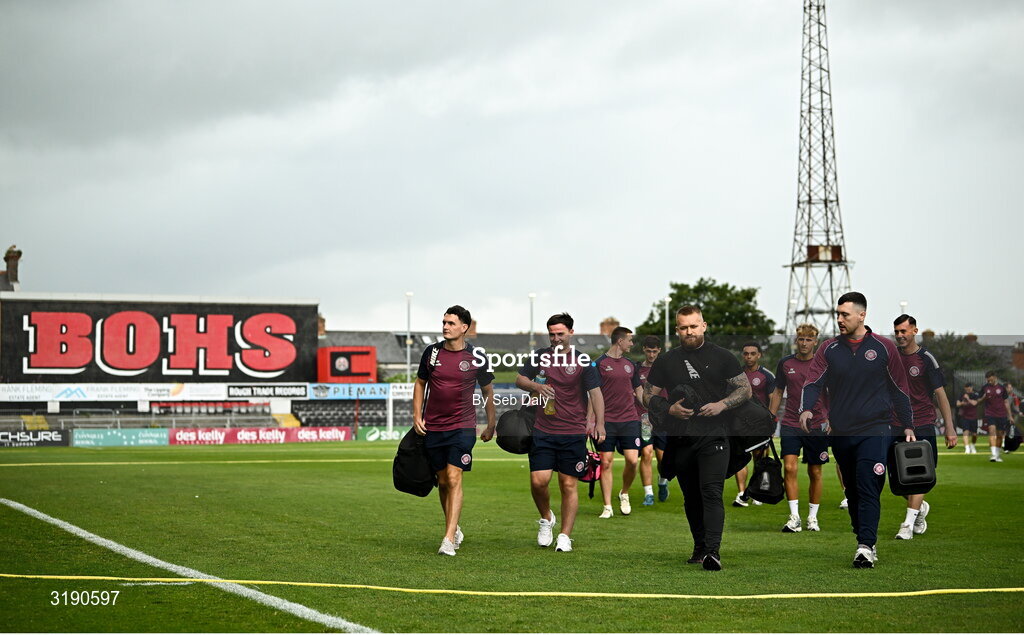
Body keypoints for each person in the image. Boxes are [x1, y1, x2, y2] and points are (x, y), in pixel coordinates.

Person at [800, 292, 913, 568]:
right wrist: (806, 408)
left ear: (862, 315)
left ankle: (866, 545)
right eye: (837, 314)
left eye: (845, 315)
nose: (839, 319)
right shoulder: (828, 349)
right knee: (852, 491)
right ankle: (861, 537)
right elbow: (813, 382)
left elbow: (900, 390)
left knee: (867, 485)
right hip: (840, 432)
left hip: (876, 428)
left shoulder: (884, 348)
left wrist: (908, 424)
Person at [643, 305, 752, 571]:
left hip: (715, 435)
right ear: (677, 329)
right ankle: (699, 547)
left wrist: (722, 405)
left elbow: (744, 388)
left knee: (711, 492)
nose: (689, 331)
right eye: (683, 327)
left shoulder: (722, 356)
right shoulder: (666, 361)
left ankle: (713, 552)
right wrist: (668, 409)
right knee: (691, 496)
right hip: (681, 439)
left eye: (693, 326)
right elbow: (646, 395)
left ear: (704, 325)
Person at [516, 313, 605, 552]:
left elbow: (595, 394)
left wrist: (599, 424)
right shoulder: (539, 357)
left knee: (568, 485)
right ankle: (547, 518)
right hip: (542, 430)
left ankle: (565, 535)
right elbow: (519, 379)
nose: (555, 338)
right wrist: (537, 386)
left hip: (572, 431)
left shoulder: (583, 361)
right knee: (538, 481)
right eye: (552, 334)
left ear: (571, 333)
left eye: (560, 334)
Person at [412, 305, 497, 556]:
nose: (445, 327)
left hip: (462, 426)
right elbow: (420, 383)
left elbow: (487, 391)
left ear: (464, 328)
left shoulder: (477, 357)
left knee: (453, 476)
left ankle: (448, 539)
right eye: (444, 322)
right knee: (442, 481)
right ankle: (454, 527)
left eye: (451, 323)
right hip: (433, 426)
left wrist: (491, 424)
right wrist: (417, 414)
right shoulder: (432, 352)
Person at [891, 314, 957, 540]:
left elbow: (941, 395)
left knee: (918, 475)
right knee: (898, 479)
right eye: (897, 331)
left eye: (904, 331)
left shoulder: (926, 359)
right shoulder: (890, 357)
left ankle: (907, 525)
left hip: (923, 423)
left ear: (914, 331)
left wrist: (949, 427)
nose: (900, 335)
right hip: (895, 425)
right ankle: (920, 508)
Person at [768, 324, 830, 533]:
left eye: (808, 340)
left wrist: (831, 418)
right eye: (801, 339)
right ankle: (794, 517)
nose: (804, 343)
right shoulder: (785, 363)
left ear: (815, 342)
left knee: (815, 471)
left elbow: (832, 393)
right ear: (796, 340)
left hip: (816, 424)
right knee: (790, 467)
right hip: (790, 423)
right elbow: (778, 391)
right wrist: (771, 417)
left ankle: (812, 518)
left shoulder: (823, 365)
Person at [595, 327, 644, 517]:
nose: (632, 343)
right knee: (605, 463)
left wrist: (653, 407)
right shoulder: (598, 364)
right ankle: (607, 506)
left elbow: (639, 391)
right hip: (607, 421)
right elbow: (593, 394)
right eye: (630, 340)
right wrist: (592, 421)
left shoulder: (631, 365)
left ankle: (624, 493)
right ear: (620, 341)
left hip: (630, 420)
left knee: (632, 461)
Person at [731, 342, 775, 508]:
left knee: (760, 459)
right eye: (746, 353)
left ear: (759, 355)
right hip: (740, 424)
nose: (749, 356)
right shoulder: (736, 375)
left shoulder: (767, 376)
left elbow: (773, 399)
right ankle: (742, 493)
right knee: (739, 458)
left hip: (760, 425)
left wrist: (770, 422)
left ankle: (758, 493)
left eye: (752, 353)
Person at [637, 335, 671, 503]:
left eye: (654, 351)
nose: (651, 355)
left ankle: (663, 482)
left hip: (663, 418)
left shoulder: (666, 369)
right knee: (646, 453)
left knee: (663, 456)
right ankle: (648, 493)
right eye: (649, 351)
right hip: (644, 419)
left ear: (659, 350)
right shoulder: (637, 370)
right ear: (644, 349)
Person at [976, 371, 1013, 462]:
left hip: (1001, 414)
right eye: (988, 380)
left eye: (991, 380)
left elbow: (1006, 402)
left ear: (995, 377)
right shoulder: (985, 388)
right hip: (990, 413)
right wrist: (983, 398)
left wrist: (1010, 416)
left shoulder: (1002, 388)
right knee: (992, 431)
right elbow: (978, 401)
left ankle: (997, 455)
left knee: (1000, 435)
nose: (989, 382)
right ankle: (993, 455)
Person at [956, 383, 981, 454]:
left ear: (972, 387)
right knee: (965, 432)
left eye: (969, 388)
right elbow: (957, 404)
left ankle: (972, 445)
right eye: (966, 389)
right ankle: (967, 448)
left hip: (973, 417)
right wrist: (962, 403)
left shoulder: (975, 395)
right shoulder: (962, 395)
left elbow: (975, 403)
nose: (968, 390)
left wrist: (968, 399)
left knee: (974, 434)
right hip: (965, 417)